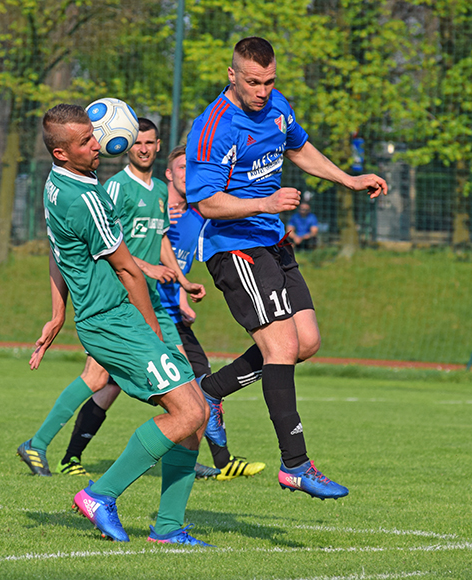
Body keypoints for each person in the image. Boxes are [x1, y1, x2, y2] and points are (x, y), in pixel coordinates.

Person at [185, 37, 387, 500]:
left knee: (306, 342)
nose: (262, 90)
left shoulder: (277, 106)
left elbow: (299, 147)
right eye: (253, 82)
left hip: (273, 241)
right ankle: (295, 463)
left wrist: (348, 179)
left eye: (269, 81)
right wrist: (267, 202)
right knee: (281, 346)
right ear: (232, 74)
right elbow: (207, 202)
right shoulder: (213, 126)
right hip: (234, 247)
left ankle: (210, 391)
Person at [23, 104, 211, 546]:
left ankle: (168, 527)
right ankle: (99, 495)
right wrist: (154, 332)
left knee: (196, 416)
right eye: (86, 141)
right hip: (115, 321)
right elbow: (128, 270)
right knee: (188, 412)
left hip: (108, 318)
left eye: (94, 135)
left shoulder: (57, 184)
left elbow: (56, 251)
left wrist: (58, 313)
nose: (98, 145)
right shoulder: (86, 199)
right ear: (61, 152)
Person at [56, 142, 266, 481]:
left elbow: (169, 255)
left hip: (162, 312)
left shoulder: (192, 214)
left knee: (194, 388)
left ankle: (213, 463)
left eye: (193, 169)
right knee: (106, 383)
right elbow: (116, 253)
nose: (188, 175)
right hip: (125, 309)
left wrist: (182, 290)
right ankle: (63, 456)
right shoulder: (128, 196)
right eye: (182, 168)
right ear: (169, 173)